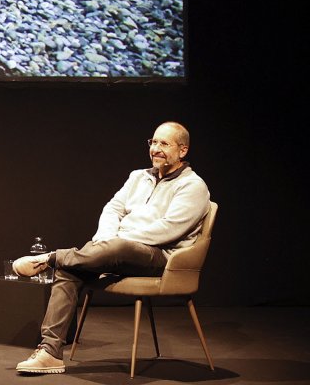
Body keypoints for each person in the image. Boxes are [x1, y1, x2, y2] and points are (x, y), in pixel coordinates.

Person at [13, 121, 210, 375]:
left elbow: (168, 229)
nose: (156, 149)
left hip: (162, 257)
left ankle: (51, 257)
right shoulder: (138, 176)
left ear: (183, 150)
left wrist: (119, 241)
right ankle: (50, 352)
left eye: (164, 143)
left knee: (88, 255)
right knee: (71, 268)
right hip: (118, 249)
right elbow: (113, 208)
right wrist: (106, 239)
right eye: (153, 142)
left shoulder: (193, 186)